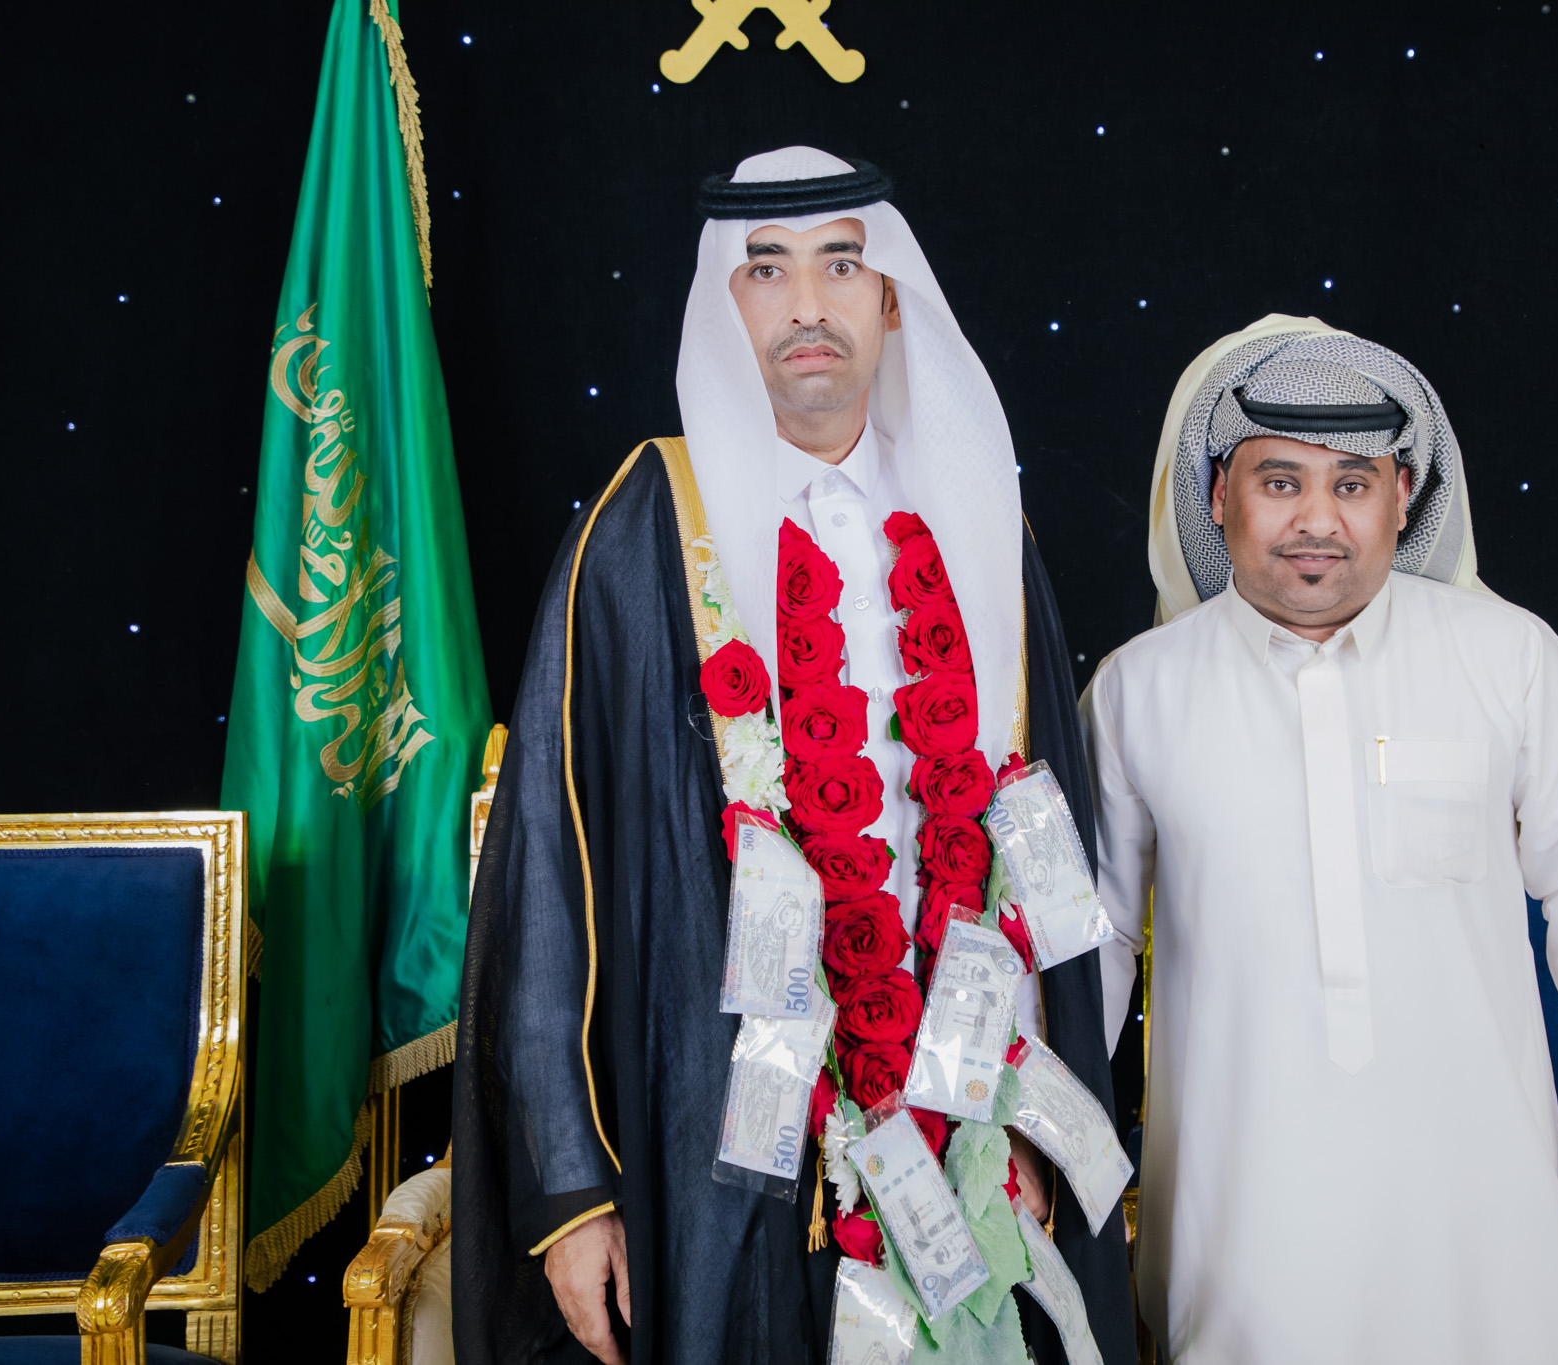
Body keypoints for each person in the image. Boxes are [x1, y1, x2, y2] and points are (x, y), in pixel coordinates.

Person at [454, 148, 1137, 1365]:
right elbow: (549, 871)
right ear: (727, 305)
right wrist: (572, 1187)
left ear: (891, 301)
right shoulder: (645, 523)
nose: (806, 305)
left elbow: (1036, 850)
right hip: (718, 1138)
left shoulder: (982, 526)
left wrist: (1027, 1118)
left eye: (840, 266)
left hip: (963, 1119)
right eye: (767, 271)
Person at [1086, 315, 1558, 1363]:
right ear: (1217, 495)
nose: (1317, 519)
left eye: (1352, 483)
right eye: (1279, 481)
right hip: (1243, 1226)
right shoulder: (1138, 692)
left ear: (1403, 496)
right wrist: (1039, 1137)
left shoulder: (1507, 657)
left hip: (1484, 1219)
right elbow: (1089, 940)